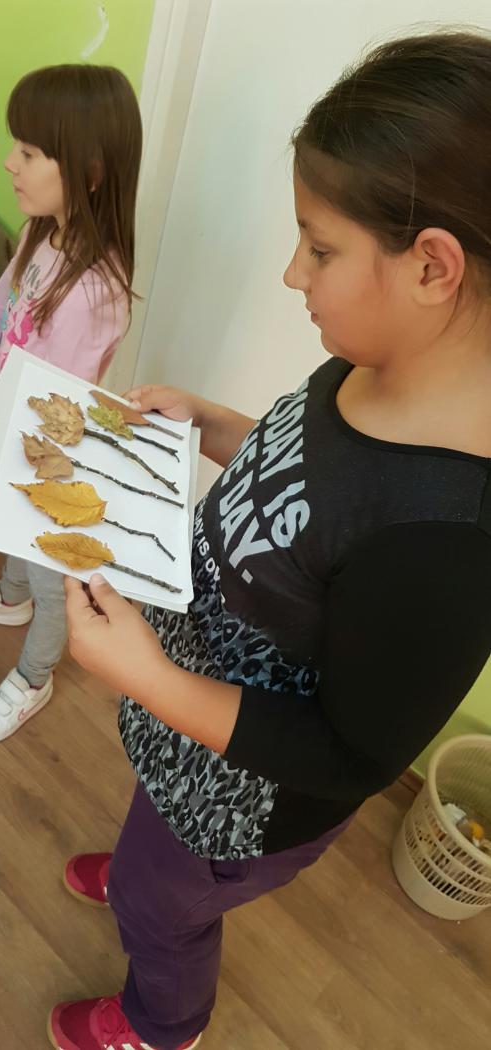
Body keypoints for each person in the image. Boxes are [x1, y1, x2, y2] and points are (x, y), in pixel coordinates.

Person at [52, 32, 491, 1050]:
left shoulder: (444, 542)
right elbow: (313, 486)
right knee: (153, 848)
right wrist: (214, 425)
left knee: (165, 905)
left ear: (431, 266)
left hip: (243, 795)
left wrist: (147, 677)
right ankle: (145, 870)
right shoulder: (371, 363)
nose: (293, 273)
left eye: (319, 248)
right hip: (187, 711)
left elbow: (349, 753)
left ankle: (160, 1021)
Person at [0, 64, 142, 746]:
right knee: (8, 537)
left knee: (54, 577)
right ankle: (9, 597)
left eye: (28, 151)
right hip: (4, 429)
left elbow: (55, 413)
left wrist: (8, 447)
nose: (9, 162)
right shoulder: (38, 232)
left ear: (89, 172)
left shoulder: (94, 292)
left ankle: (33, 676)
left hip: (50, 456)